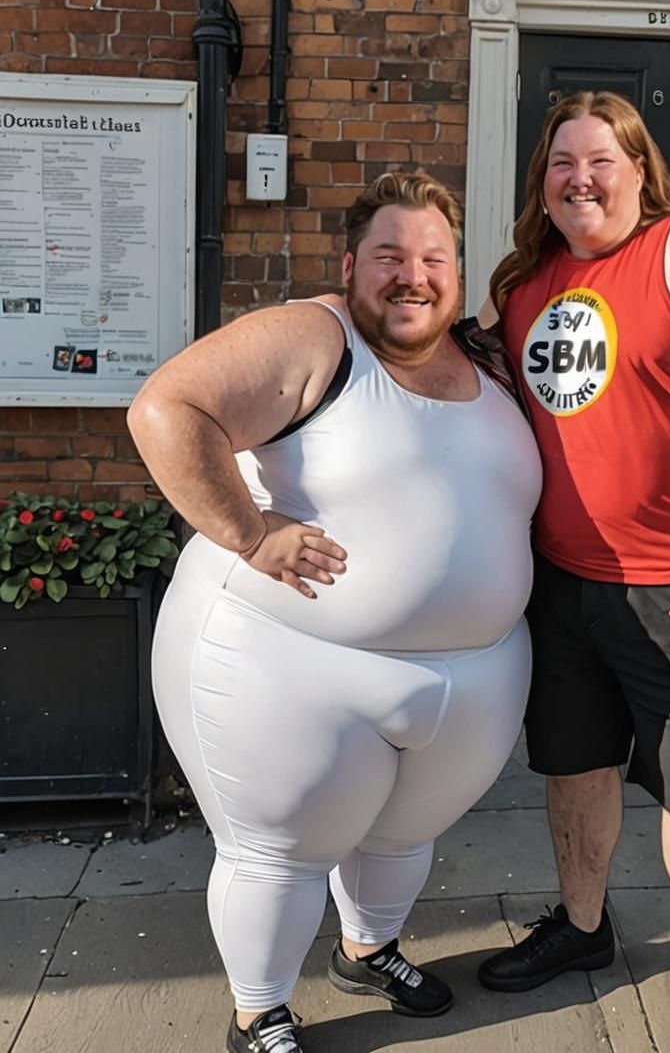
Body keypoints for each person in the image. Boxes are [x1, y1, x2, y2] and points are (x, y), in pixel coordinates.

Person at [127, 172, 541, 1053]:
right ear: (352, 265)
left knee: (400, 832)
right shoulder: (316, 336)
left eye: (434, 258)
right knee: (279, 853)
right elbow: (167, 408)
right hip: (289, 660)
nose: (412, 276)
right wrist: (248, 530)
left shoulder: (488, 360)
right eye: (390, 256)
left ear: (458, 275)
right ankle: (259, 1011)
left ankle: (367, 949)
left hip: (467, 674)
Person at [476, 91, 670, 1053]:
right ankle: (582, 929)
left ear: (640, 170)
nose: (581, 178)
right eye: (562, 161)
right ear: (542, 179)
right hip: (563, 582)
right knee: (575, 764)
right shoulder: (525, 283)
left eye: (602, 160)